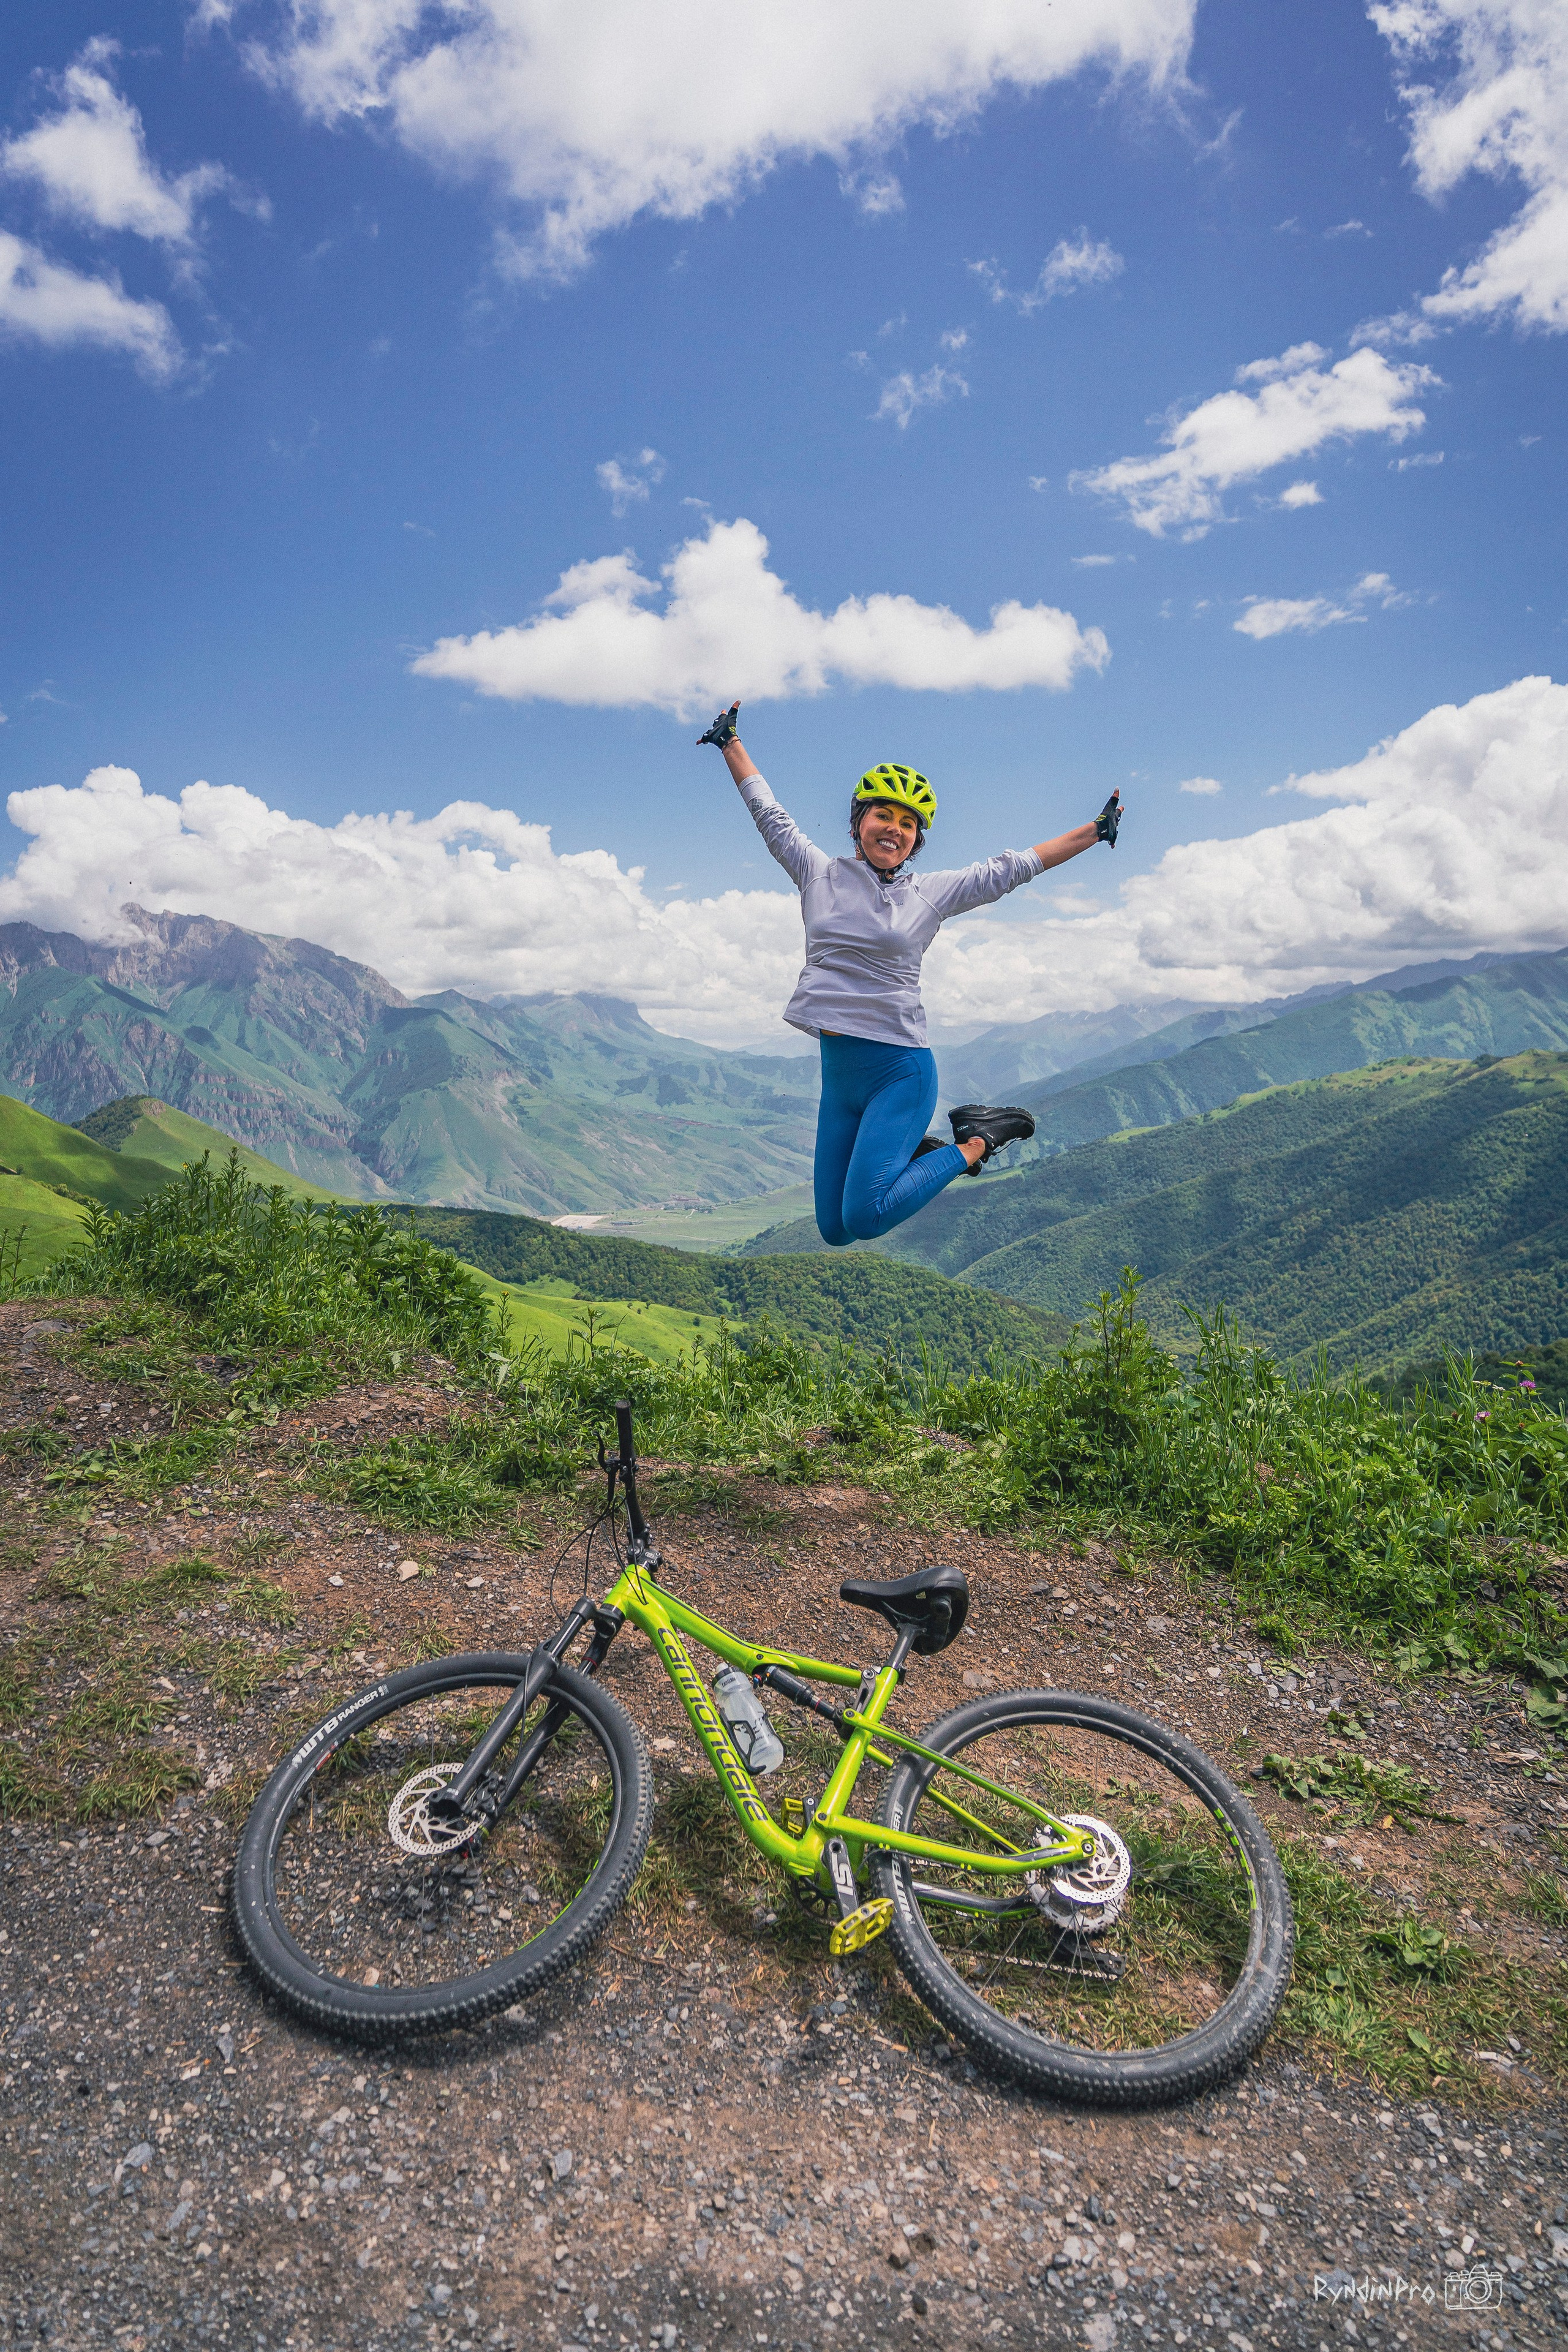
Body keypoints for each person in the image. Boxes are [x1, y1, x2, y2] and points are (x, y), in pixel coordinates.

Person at [698, 701, 1124, 1248]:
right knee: (835, 1229)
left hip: (900, 1073)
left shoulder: (929, 894)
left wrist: (1096, 830)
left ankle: (977, 1141)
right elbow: (769, 814)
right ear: (859, 821)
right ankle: (917, 1152)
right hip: (841, 1079)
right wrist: (729, 741)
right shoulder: (817, 873)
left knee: (867, 1217)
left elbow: (1013, 869)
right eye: (884, 815)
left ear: (916, 841)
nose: (894, 830)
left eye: (908, 824)